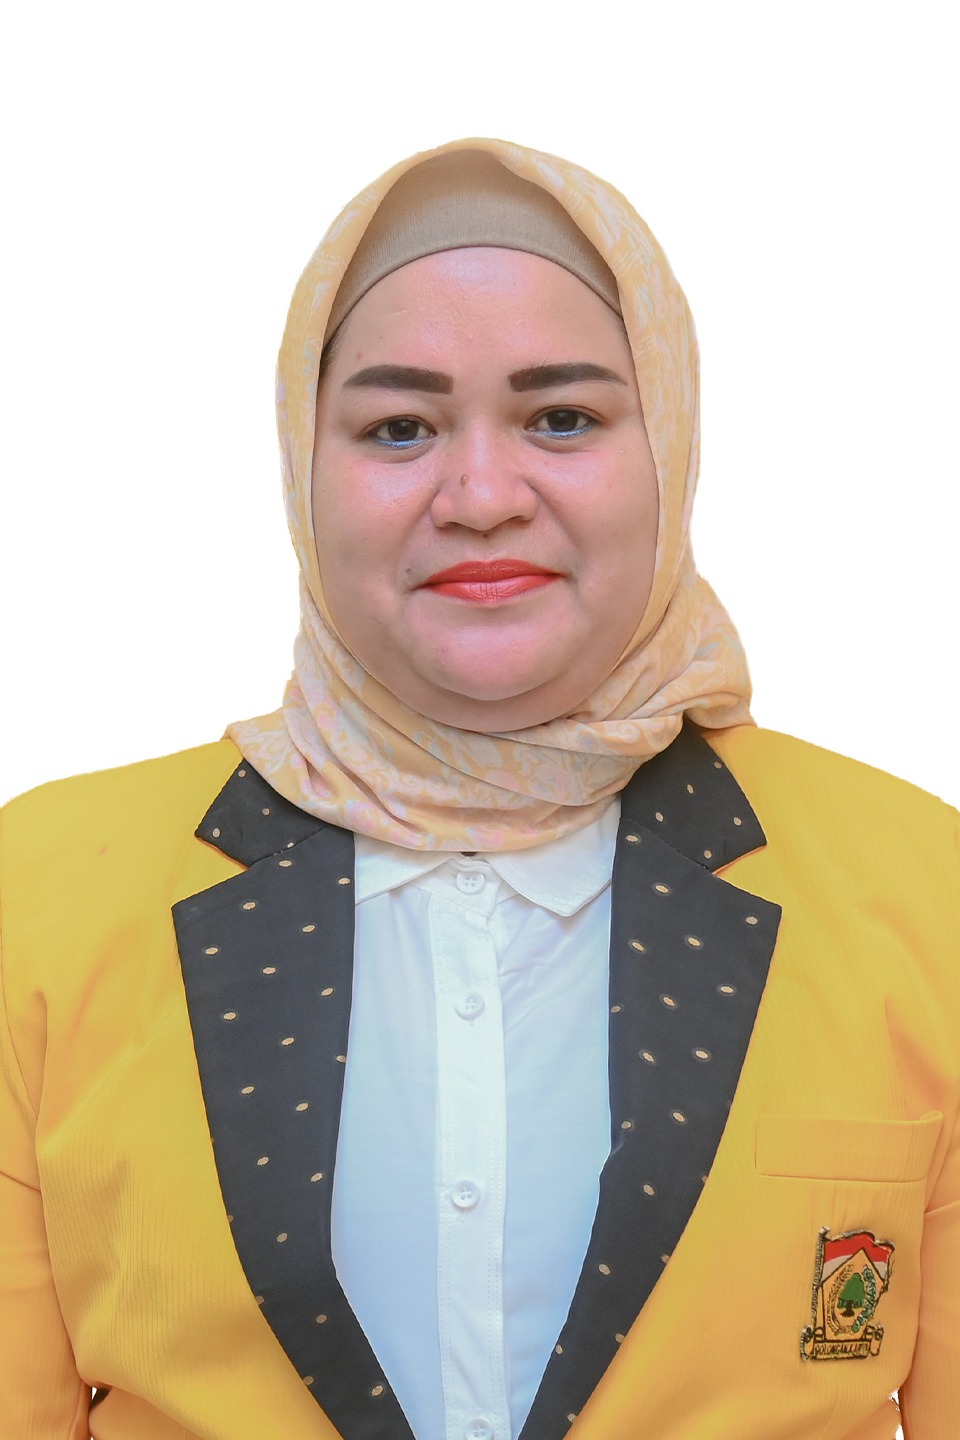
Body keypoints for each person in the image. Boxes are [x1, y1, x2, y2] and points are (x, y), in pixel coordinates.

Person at [0, 137, 956, 1440]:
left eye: (563, 418)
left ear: (670, 444)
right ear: (303, 469)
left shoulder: (924, 892)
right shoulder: (40, 899)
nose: (484, 495)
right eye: (399, 428)